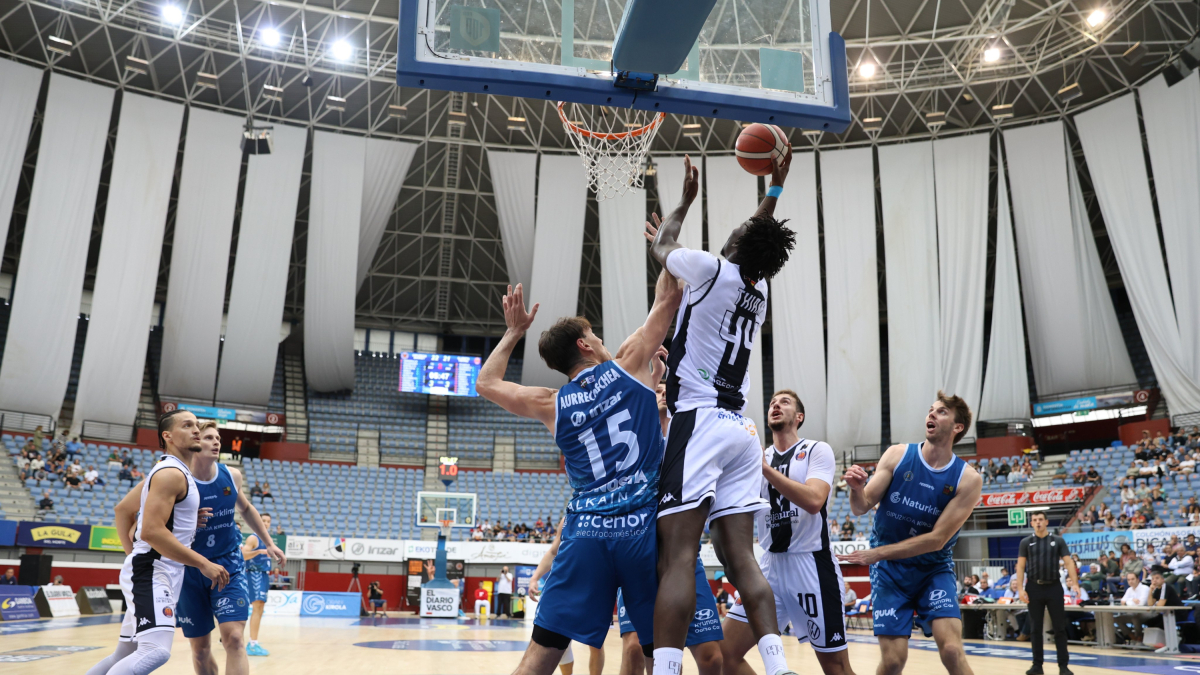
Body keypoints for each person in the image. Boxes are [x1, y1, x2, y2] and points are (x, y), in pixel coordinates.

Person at [474, 259, 682, 675]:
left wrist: (514, 331)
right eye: (596, 337)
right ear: (585, 345)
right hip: (641, 530)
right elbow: (668, 297)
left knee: (541, 655)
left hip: (586, 532)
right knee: (658, 654)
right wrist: (666, 252)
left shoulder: (551, 403)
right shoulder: (629, 364)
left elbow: (486, 383)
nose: (602, 342)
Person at [646, 150, 799, 675]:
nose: (733, 234)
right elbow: (751, 238)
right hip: (741, 431)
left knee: (677, 556)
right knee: (742, 560)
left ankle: (666, 670)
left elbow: (662, 246)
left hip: (700, 420)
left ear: (733, 250)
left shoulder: (711, 269)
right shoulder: (759, 289)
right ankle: (778, 668)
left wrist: (684, 204)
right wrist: (773, 191)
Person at [116, 420, 283, 675]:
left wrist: (269, 543)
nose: (215, 442)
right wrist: (134, 557)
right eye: (208, 438)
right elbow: (135, 521)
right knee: (200, 650)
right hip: (188, 569)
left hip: (227, 564)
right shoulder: (171, 477)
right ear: (195, 442)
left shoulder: (231, 475)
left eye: (218, 438)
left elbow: (246, 508)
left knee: (234, 638)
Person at [837, 393, 983, 675]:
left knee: (952, 651)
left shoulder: (968, 479)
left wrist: (877, 553)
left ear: (958, 427)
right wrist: (856, 489)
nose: (932, 414)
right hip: (890, 571)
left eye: (942, 411)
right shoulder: (898, 454)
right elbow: (861, 506)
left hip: (933, 569)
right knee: (893, 661)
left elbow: (937, 539)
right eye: (931, 410)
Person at [722, 390, 855, 675]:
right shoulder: (756, 456)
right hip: (768, 567)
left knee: (837, 668)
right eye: (772, 402)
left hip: (810, 564)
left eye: (784, 402)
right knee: (724, 655)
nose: (776, 405)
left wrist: (765, 470)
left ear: (799, 416)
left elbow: (814, 500)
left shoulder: (817, 450)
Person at [86, 411, 229, 675]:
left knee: (125, 653)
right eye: (187, 425)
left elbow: (125, 510)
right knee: (155, 651)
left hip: (157, 569)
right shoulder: (171, 473)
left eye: (196, 425)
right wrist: (203, 563)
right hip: (154, 570)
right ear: (168, 436)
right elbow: (150, 531)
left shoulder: (175, 471)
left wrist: (184, 522)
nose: (196, 430)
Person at [1013, 512, 1078, 675]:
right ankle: (1037, 666)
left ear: (1046, 522)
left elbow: (1069, 562)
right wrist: (1020, 589)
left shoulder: (1058, 541)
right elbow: (1020, 566)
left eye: (1040, 519)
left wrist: (1075, 583)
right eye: (1034, 520)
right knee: (1035, 628)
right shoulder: (1025, 542)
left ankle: (1063, 666)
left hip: (1054, 587)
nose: (1038, 522)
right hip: (1033, 588)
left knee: (1059, 628)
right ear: (1031, 523)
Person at [242, 513, 274, 656]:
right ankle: (252, 644)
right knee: (256, 606)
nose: (266, 523)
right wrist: (259, 551)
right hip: (254, 573)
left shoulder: (268, 539)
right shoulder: (253, 538)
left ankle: (254, 641)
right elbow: (243, 555)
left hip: (264, 574)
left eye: (268, 521)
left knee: (260, 608)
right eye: (263, 521)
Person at [1114, 572, 1151, 642]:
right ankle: (1132, 637)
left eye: (1132, 579)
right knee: (1117, 619)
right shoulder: (1129, 590)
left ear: (1138, 579)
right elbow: (1122, 602)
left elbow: (1141, 604)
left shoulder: (1145, 588)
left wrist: (1127, 601)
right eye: (1128, 580)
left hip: (1148, 613)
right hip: (1133, 613)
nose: (1130, 581)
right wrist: (1132, 600)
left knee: (1135, 618)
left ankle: (1139, 638)